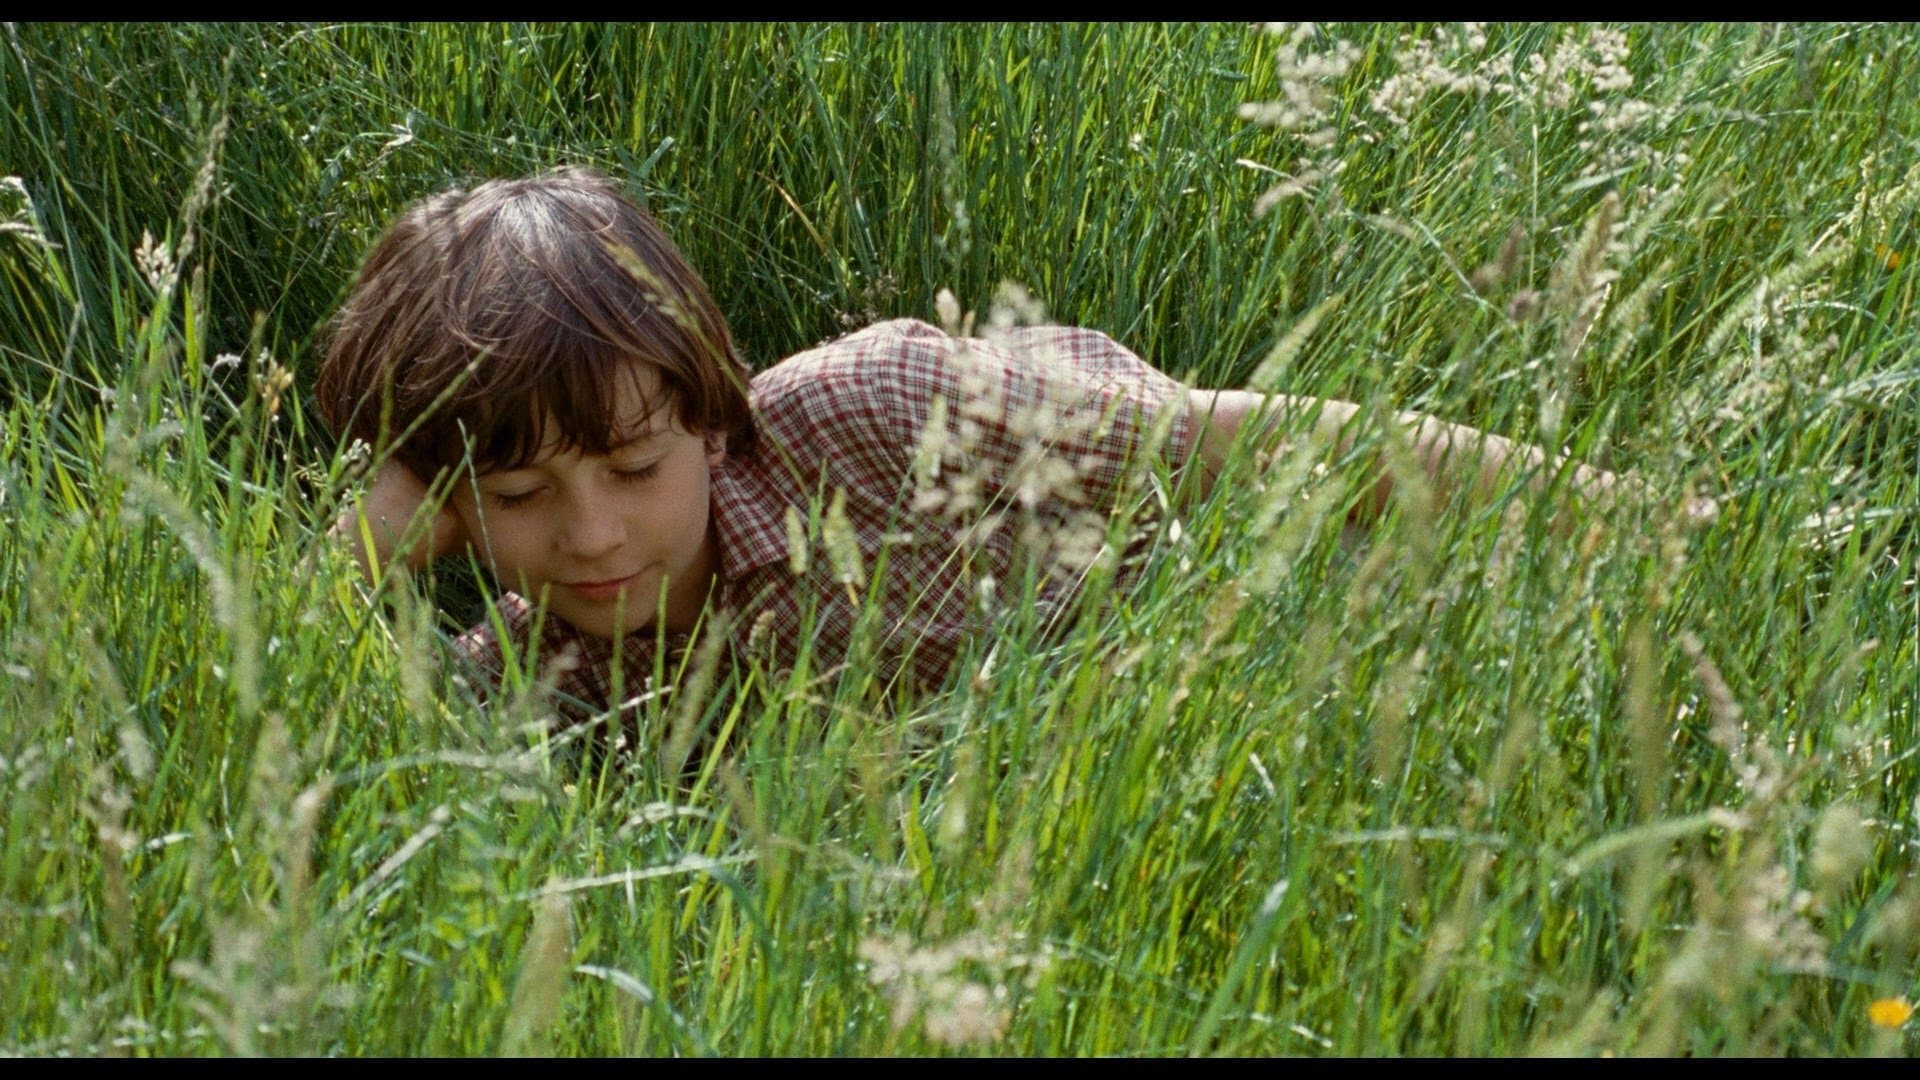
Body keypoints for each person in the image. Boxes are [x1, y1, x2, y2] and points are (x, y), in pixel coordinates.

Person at [317, 166, 1616, 726]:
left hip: (1234, 659)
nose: (592, 535)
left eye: (634, 469)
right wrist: (361, 546)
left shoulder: (881, 414)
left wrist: (1621, 516)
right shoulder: (532, 677)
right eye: (520, 494)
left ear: (710, 418)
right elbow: (267, 742)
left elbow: (1270, 448)